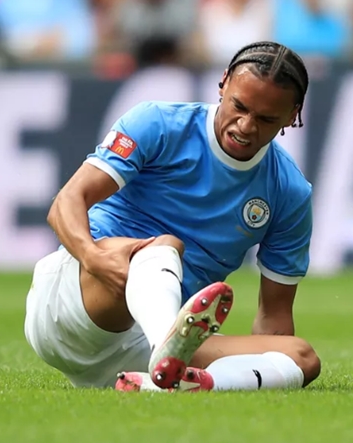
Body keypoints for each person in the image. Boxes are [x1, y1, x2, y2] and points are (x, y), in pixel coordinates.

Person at [24, 41, 321, 392]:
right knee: (165, 247)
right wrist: (92, 257)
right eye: (239, 106)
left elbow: (273, 320)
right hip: (76, 305)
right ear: (223, 82)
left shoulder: (289, 192)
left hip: (145, 345)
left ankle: (182, 382)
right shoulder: (158, 123)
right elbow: (66, 201)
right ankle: (168, 349)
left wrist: (265, 366)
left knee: (301, 356)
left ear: (292, 115)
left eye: (266, 119)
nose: (245, 126)